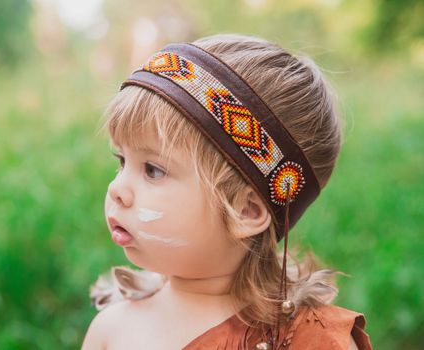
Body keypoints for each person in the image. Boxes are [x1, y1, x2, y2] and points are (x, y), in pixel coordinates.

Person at [81, 33, 373, 349]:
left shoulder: (312, 340)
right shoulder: (113, 330)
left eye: (153, 170)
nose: (117, 188)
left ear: (246, 211)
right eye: (122, 161)